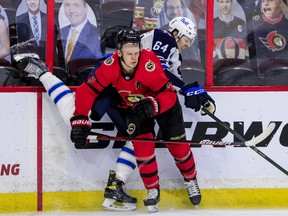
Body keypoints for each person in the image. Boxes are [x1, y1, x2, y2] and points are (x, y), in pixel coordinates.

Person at [14, 27, 215, 212]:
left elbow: (167, 90)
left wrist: (161, 101)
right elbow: (88, 91)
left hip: (148, 103)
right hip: (121, 101)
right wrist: (81, 119)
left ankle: (122, 183)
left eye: (137, 52)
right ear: (118, 53)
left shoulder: (149, 62)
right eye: (129, 53)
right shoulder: (108, 66)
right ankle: (43, 73)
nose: (134, 58)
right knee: (81, 118)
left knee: (162, 143)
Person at [252, 0, 288, 69]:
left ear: (280, 3)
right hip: (263, 70)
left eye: (270, 1)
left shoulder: (286, 23)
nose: (265, 4)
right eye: (263, 1)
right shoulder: (254, 24)